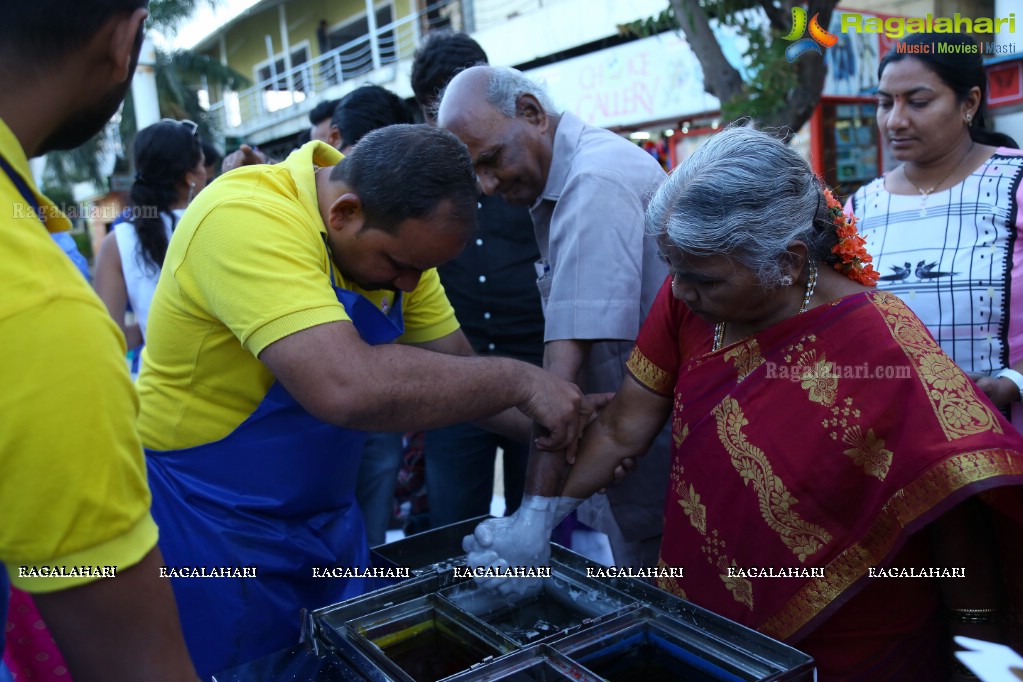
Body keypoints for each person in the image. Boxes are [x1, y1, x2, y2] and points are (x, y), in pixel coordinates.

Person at [464, 126, 1023, 679]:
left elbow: (950, 497)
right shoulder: (691, 297)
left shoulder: (881, 344)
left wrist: (979, 648)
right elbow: (621, 428)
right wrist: (535, 522)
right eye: (675, 271)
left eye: (703, 279)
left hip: (853, 635)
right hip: (704, 613)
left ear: (791, 262)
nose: (680, 290)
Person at [135, 123, 588, 677]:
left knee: (340, 663)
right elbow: (344, 386)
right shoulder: (242, 218)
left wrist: (574, 421)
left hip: (324, 518)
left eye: (422, 272)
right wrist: (524, 381)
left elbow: (464, 379)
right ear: (343, 212)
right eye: (398, 266)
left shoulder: (401, 251)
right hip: (213, 523)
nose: (408, 286)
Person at [0, 1, 199, 680]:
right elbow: (139, 664)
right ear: (123, 41)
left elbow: (114, 329)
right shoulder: (36, 306)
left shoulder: (104, 241)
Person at [438, 65, 670, 567]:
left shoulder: (593, 183)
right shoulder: (571, 178)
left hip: (655, 454)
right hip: (629, 446)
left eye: (492, 161)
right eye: (475, 174)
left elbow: (556, 386)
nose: (487, 186)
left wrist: (533, 520)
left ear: (531, 112)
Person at [848, 32, 1023, 434]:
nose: (895, 120)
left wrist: (1013, 383)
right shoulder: (861, 206)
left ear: (970, 103)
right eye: (884, 103)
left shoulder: (1014, 182)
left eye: (918, 102)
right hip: (902, 439)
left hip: (1006, 434)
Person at [411, 31, 546, 528]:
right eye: (435, 114)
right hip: (454, 377)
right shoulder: (417, 176)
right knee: (451, 527)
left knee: (534, 521)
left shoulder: (529, 158)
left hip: (535, 366)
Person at [325, 84, 415, 547]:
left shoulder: (404, 245)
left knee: (368, 547)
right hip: (300, 433)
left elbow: (455, 352)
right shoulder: (264, 216)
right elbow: (342, 383)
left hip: (375, 427)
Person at [94, 118, 206, 355]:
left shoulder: (117, 242)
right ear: (190, 177)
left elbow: (111, 338)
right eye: (203, 165)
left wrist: (150, 327)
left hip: (158, 385)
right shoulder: (216, 223)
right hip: (240, 385)